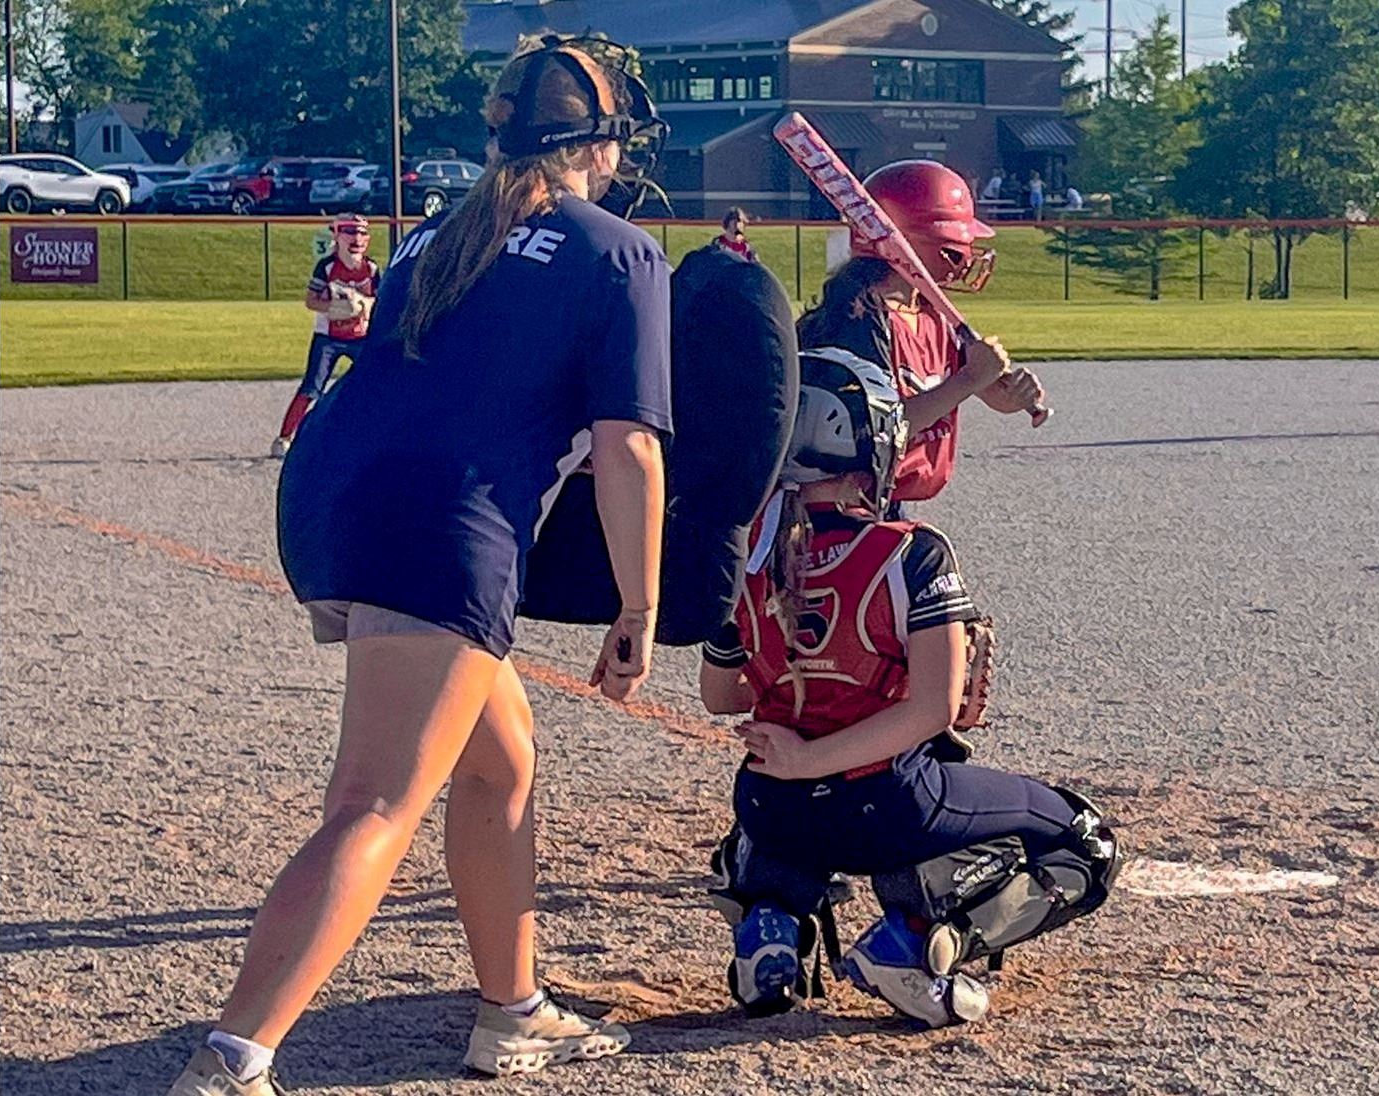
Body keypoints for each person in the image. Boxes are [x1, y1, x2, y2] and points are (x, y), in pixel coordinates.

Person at [171, 39, 671, 1095]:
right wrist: (641, 601)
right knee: (374, 800)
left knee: (499, 761)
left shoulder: (441, 229)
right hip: (441, 523)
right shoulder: (618, 248)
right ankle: (234, 1058)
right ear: (601, 138)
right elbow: (629, 445)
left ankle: (513, 1008)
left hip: (332, 490)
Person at [699, 348, 1121, 1027]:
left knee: (773, 815)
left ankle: (769, 928)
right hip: (887, 805)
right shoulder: (910, 552)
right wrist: (816, 757)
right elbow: (932, 710)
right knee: (1085, 842)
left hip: (771, 800)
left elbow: (722, 696)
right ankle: (917, 942)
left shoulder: (744, 552)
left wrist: (799, 752)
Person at [795, 159, 1044, 511]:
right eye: (956, 247)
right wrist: (971, 378)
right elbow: (877, 431)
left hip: (890, 503)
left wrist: (1010, 394)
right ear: (919, 244)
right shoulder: (857, 321)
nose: (966, 257)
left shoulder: (930, 312)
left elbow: (983, 392)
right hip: (839, 512)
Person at [271, 213, 380, 456]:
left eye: (362, 233)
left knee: (373, 384)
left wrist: (362, 303)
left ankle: (374, 437)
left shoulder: (371, 268)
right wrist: (332, 309)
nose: (357, 238)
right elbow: (310, 301)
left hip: (360, 337)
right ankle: (285, 437)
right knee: (312, 387)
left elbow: (378, 301)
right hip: (328, 337)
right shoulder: (327, 267)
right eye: (350, 232)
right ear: (337, 236)